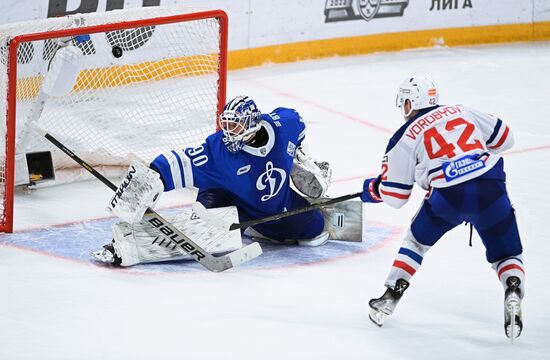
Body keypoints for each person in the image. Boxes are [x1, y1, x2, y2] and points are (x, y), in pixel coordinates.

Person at [361, 76, 524, 339]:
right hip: (490, 187)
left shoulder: (404, 136)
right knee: (506, 253)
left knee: (416, 242)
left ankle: (391, 295)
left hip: (449, 196)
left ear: (409, 102)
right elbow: (506, 138)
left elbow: (396, 196)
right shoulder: (463, 110)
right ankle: (513, 289)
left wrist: (374, 188)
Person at [94, 95, 333, 266]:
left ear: (253, 123)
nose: (229, 132)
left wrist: (302, 158)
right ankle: (129, 248)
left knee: (315, 230)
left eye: (235, 126)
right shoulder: (218, 150)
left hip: (272, 204)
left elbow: (298, 130)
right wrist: (151, 178)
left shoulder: (284, 123)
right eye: (226, 125)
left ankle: (263, 228)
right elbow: (180, 161)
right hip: (224, 196)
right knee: (207, 235)